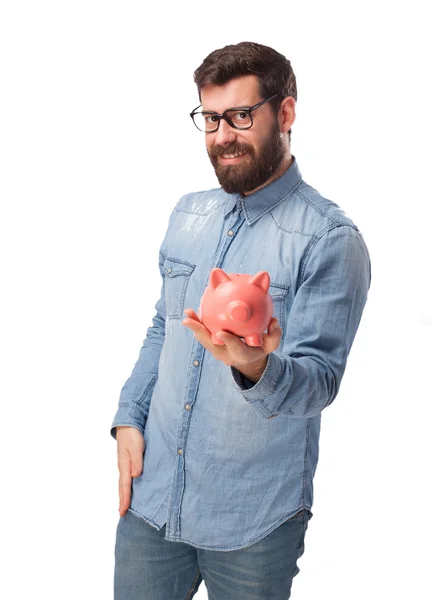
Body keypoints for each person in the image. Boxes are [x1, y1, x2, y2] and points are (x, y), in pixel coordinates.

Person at [111, 41, 371, 600]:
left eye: (241, 116)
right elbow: (162, 327)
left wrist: (256, 367)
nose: (223, 135)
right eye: (211, 118)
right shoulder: (189, 212)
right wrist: (128, 417)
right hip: (153, 499)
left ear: (286, 113)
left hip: (254, 521)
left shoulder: (329, 240)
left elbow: (319, 380)